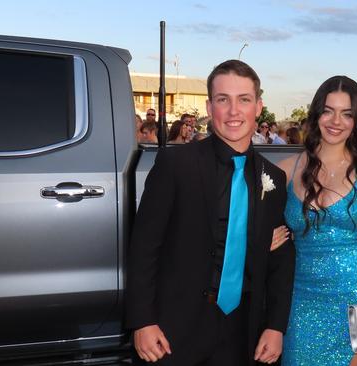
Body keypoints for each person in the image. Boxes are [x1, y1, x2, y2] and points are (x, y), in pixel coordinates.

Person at [126, 59, 296, 366]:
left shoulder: (273, 179)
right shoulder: (175, 165)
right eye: (223, 100)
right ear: (209, 107)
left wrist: (275, 326)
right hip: (173, 330)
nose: (234, 111)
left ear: (258, 107)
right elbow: (143, 247)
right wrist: (142, 321)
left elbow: (280, 262)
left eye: (244, 100)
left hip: (243, 333)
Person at [275, 76, 357, 365]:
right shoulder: (285, 171)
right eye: (328, 110)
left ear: (356, 120)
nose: (336, 121)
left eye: (346, 113)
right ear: (316, 114)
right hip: (301, 300)